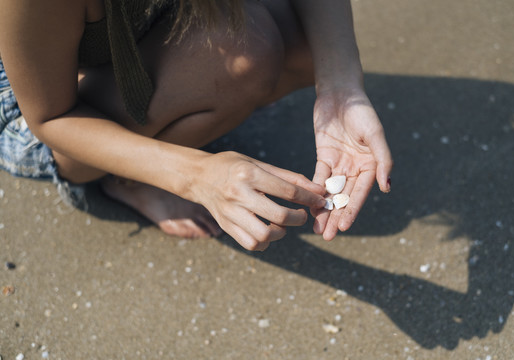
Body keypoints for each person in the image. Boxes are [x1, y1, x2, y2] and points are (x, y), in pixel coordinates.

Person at [0, 0, 392, 251]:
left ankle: (172, 121)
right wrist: (196, 175)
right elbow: (50, 118)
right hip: (38, 107)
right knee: (243, 55)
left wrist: (341, 89)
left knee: (313, 48)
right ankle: (127, 178)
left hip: (149, 30)